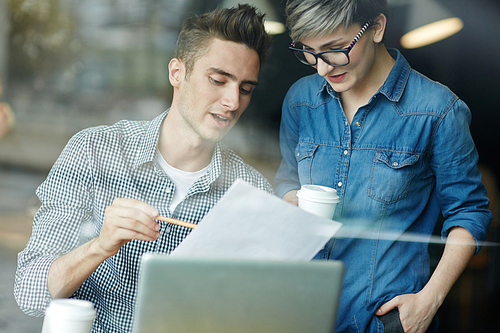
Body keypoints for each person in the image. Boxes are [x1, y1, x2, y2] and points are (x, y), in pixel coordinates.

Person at [15, 5, 273, 332]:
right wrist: (99, 246)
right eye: (218, 80)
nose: (233, 101)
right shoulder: (94, 152)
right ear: (177, 73)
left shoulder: (252, 193)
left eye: (246, 89)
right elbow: (29, 293)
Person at [274, 0, 491, 332]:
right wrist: (291, 200)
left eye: (334, 49)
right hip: (299, 311)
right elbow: (287, 178)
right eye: (309, 52)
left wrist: (429, 301)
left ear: (376, 27)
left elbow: (469, 212)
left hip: (384, 321)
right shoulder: (300, 101)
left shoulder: (438, 111)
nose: (322, 68)